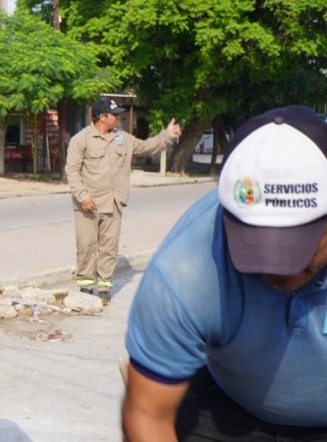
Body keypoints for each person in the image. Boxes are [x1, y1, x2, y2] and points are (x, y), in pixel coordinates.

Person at [122, 106, 327, 441]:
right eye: (257, 244)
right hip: (225, 408)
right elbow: (148, 415)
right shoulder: (185, 268)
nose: (276, 270)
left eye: (296, 246)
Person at [65, 97, 181, 298]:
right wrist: (83, 196)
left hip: (113, 203)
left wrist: (167, 136)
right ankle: (85, 288)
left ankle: (103, 289)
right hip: (88, 205)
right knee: (86, 246)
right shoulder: (80, 140)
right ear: (103, 117)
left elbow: (146, 147)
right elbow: (72, 171)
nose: (118, 118)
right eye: (115, 115)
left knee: (109, 249)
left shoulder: (123, 139)